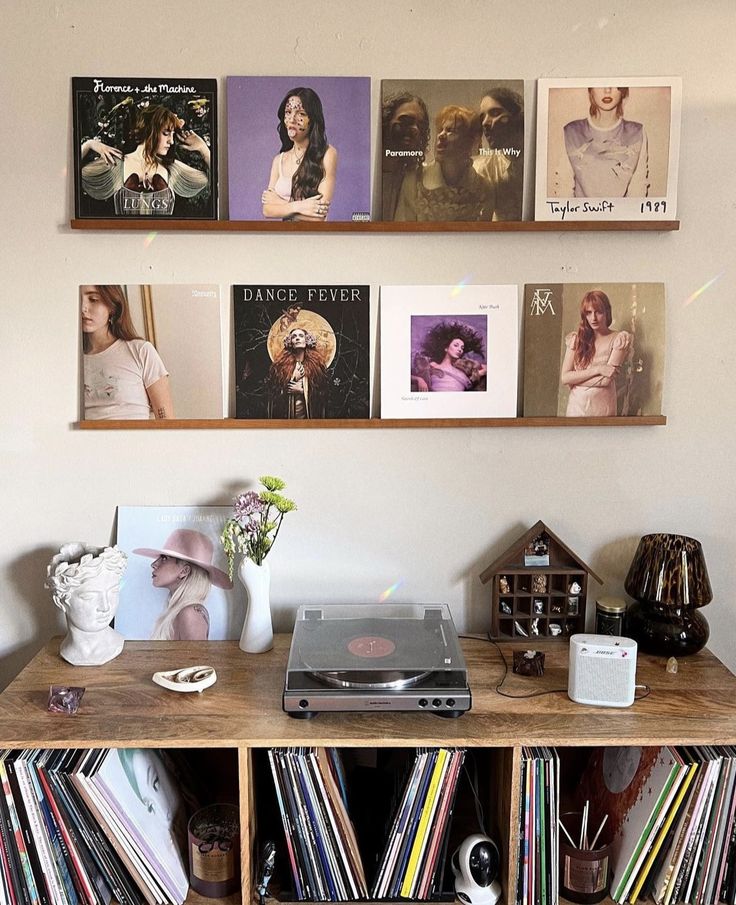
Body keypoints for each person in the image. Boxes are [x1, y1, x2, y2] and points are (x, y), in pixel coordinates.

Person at [80, 103, 211, 215]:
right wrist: (90, 144)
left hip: (164, 241)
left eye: (172, 134)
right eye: (166, 133)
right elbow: (72, 175)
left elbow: (217, 180)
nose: (171, 141)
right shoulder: (117, 163)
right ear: (150, 132)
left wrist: (203, 149)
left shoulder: (171, 168)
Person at [81, 284, 173, 420]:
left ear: (112, 307)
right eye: (76, 301)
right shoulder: (67, 361)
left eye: (94, 299)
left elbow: (166, 420)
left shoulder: (141, 351)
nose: (83, 308)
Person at [395, 105, 494, 221]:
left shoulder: (484, 188)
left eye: (451, 131)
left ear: (469, 142)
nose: (441, 135)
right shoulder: (414, 179)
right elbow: (403, 230)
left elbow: (483, 237)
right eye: (441, 129)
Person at [133, 529, 233, 641]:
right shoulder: (181, 612)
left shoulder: (190, 614)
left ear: (184, 571)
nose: (154, 564)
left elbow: (196, 659)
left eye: (164, 558)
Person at [553, 87, 649, 198]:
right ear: (591, 89)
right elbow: (564, 190)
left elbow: (637, 192)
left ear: (622, 89)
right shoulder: (571, 132)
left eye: (614, 84)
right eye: (600, 84)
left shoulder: (637, 134)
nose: (607, 90)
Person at [261, 87, 338, 221]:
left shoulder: (327, 154)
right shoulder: (278, 160)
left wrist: (280, 206)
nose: (292, 119)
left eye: (301, 114)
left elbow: (318, 217)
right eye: (288, 112)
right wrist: (301, 207)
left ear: (313, 119)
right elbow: (267, 210)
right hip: (282, 239)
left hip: (314, 240)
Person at [46, 543, 127, 665]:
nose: (105, 607)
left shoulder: (116, 644)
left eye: (113, 592)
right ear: (61, 601)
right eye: (89, 597)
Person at [560, 290, 632, 416]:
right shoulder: (576, 339)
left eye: (598, 312)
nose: (593, 318)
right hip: (576, 407)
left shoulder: (619, 339)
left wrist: (574, 379)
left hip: (602, 407)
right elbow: (565, 377)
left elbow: (605, 381)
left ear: (607, 312)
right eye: (588, 313)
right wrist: (598, 369)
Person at [472, 86, 524, 220]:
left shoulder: (540, 159)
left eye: (494, 113)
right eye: (482, 117)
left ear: (518, 116)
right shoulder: (484, 169)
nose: (484, 122)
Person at [381, 92, 430, 220]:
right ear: (385, 120)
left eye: (421, 126)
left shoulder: (418, 178)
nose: (415, 129)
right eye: (406, 121)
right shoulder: (364, 170)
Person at [266, 326, 329, 418]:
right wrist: (293, 378)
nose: (297, 338)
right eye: (294, 336)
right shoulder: (281, 367)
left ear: (307, 340)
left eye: (301, 336)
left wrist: (302, 391)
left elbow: (322, 394)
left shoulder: (315, 367)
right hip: (287, 417)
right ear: (290, 342)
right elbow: (274, 393)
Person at [414, 320, 487, 392]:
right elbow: (405, 378)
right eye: (456, 345)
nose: (460, 350)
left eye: (462, 348)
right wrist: (419, 380)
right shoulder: (433, 365)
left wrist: (481, 372)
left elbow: (487, 368)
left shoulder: (463, 371)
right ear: (446, 348)